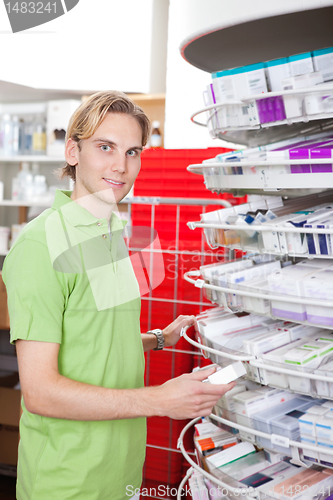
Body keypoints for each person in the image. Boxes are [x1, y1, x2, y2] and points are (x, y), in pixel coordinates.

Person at [3, 91, 235, 500]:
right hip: (67, 481)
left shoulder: (110, 231)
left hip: (121, 470)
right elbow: (40, 392)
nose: (121, 166)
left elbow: (92, 338)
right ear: (73, 150)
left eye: (133, 151)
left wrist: (161, 338)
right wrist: (161, 399)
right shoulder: (40, 246)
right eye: (105, 147)